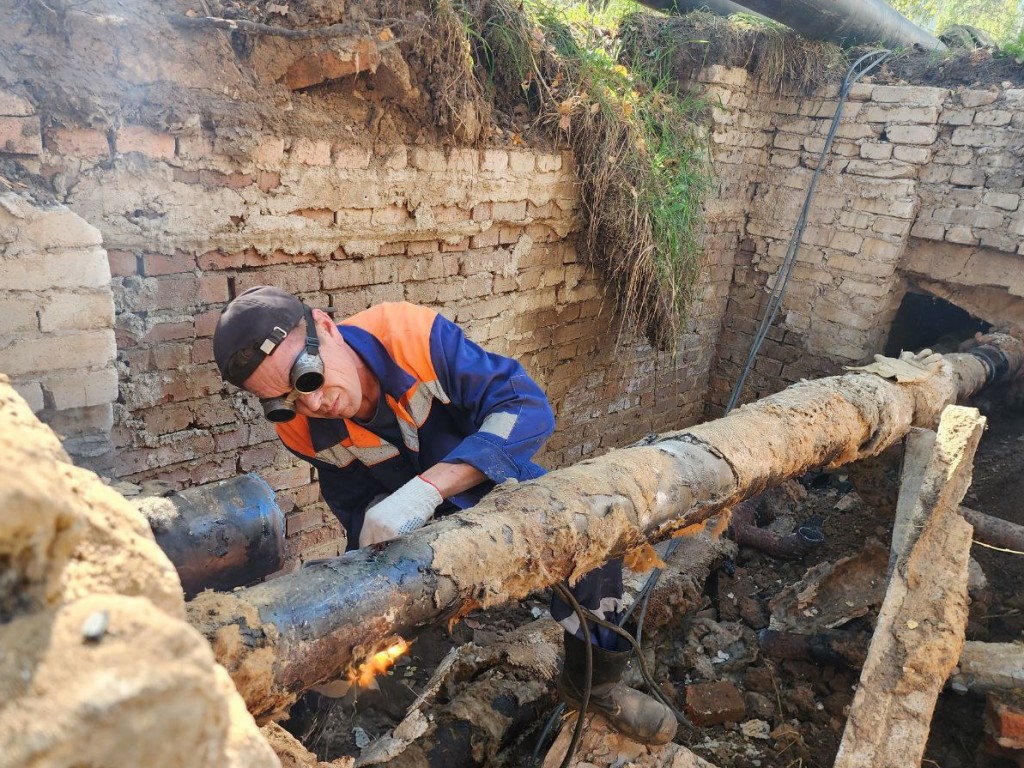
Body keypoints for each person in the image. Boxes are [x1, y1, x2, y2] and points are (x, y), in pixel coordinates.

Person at [212, 286, 676, 745]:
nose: (310, 404)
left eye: (307, 378)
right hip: (412, 524)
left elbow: (525, 407)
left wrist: (429, 488)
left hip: (494, 482)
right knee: (356, 608)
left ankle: (594, 687)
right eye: (285, 401)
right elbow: (353, 500)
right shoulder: (301, 428)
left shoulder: (410, 336)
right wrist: (373, 530)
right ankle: (297, 731)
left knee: (592, 535)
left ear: (325, 328)